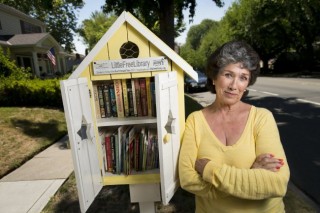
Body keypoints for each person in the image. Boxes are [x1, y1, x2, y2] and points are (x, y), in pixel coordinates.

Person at [178, 40, 290, 213]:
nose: (234, 86)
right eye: (228, 74)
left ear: (247, 84)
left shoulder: (262, 118)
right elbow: (187, 179)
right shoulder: (194, 121)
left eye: (243, 78)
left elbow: (277, 184)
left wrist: (209, 170)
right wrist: (250, 180)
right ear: (214, 77)